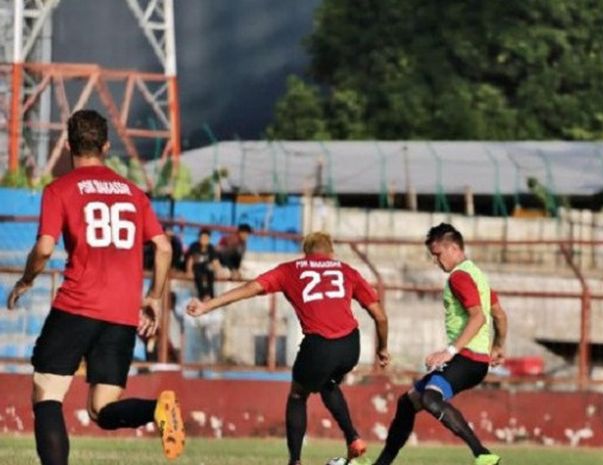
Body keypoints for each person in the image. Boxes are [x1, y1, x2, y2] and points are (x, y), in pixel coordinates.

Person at [5, 109, 185, 464]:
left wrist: (26, 280)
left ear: (70, 146)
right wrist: (153, 297)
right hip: (121, 314)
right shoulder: (133, 193)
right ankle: (158, 410)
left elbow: (44, 248)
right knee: (103, 409)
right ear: (105, 146)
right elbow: (163, 247)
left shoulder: (60, 189)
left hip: (77, 305)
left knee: (47, 395)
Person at [186, 231, 390, 465]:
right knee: (327, 383)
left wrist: (207, 305)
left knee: (297, 395)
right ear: (331, 252)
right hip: (350, 346)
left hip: (320, 345)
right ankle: (353, 438)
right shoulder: (346, 270)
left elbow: (251, 288)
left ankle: (295, 461)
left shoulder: (290, 269)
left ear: (306, 253)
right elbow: (380, 317)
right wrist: (382, 348)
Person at [372, 223, 505, 465]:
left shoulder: (459, 277)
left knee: (431, 399)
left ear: (453, 248)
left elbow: (479, 317)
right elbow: (499, 315)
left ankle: (483, 455)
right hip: (476, 359)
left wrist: (449, 351)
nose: (436, 261)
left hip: (466, 357)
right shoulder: (478, 276)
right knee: (408, 403)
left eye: (438, 254)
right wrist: (498, 346)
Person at [186, 228, 220, 300]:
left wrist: (218, 270)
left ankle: (210, 295)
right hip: (196, 268)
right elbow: (190, 260)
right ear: (199, 238)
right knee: (198, 275)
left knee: (210, 272)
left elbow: (215, 261)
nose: (204, 239)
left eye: (206, 238)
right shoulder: (194, 246)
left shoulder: (211, 248)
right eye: (202, 237)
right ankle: (202, 295)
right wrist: (189, 271)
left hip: (206, 267)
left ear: (209, 239)